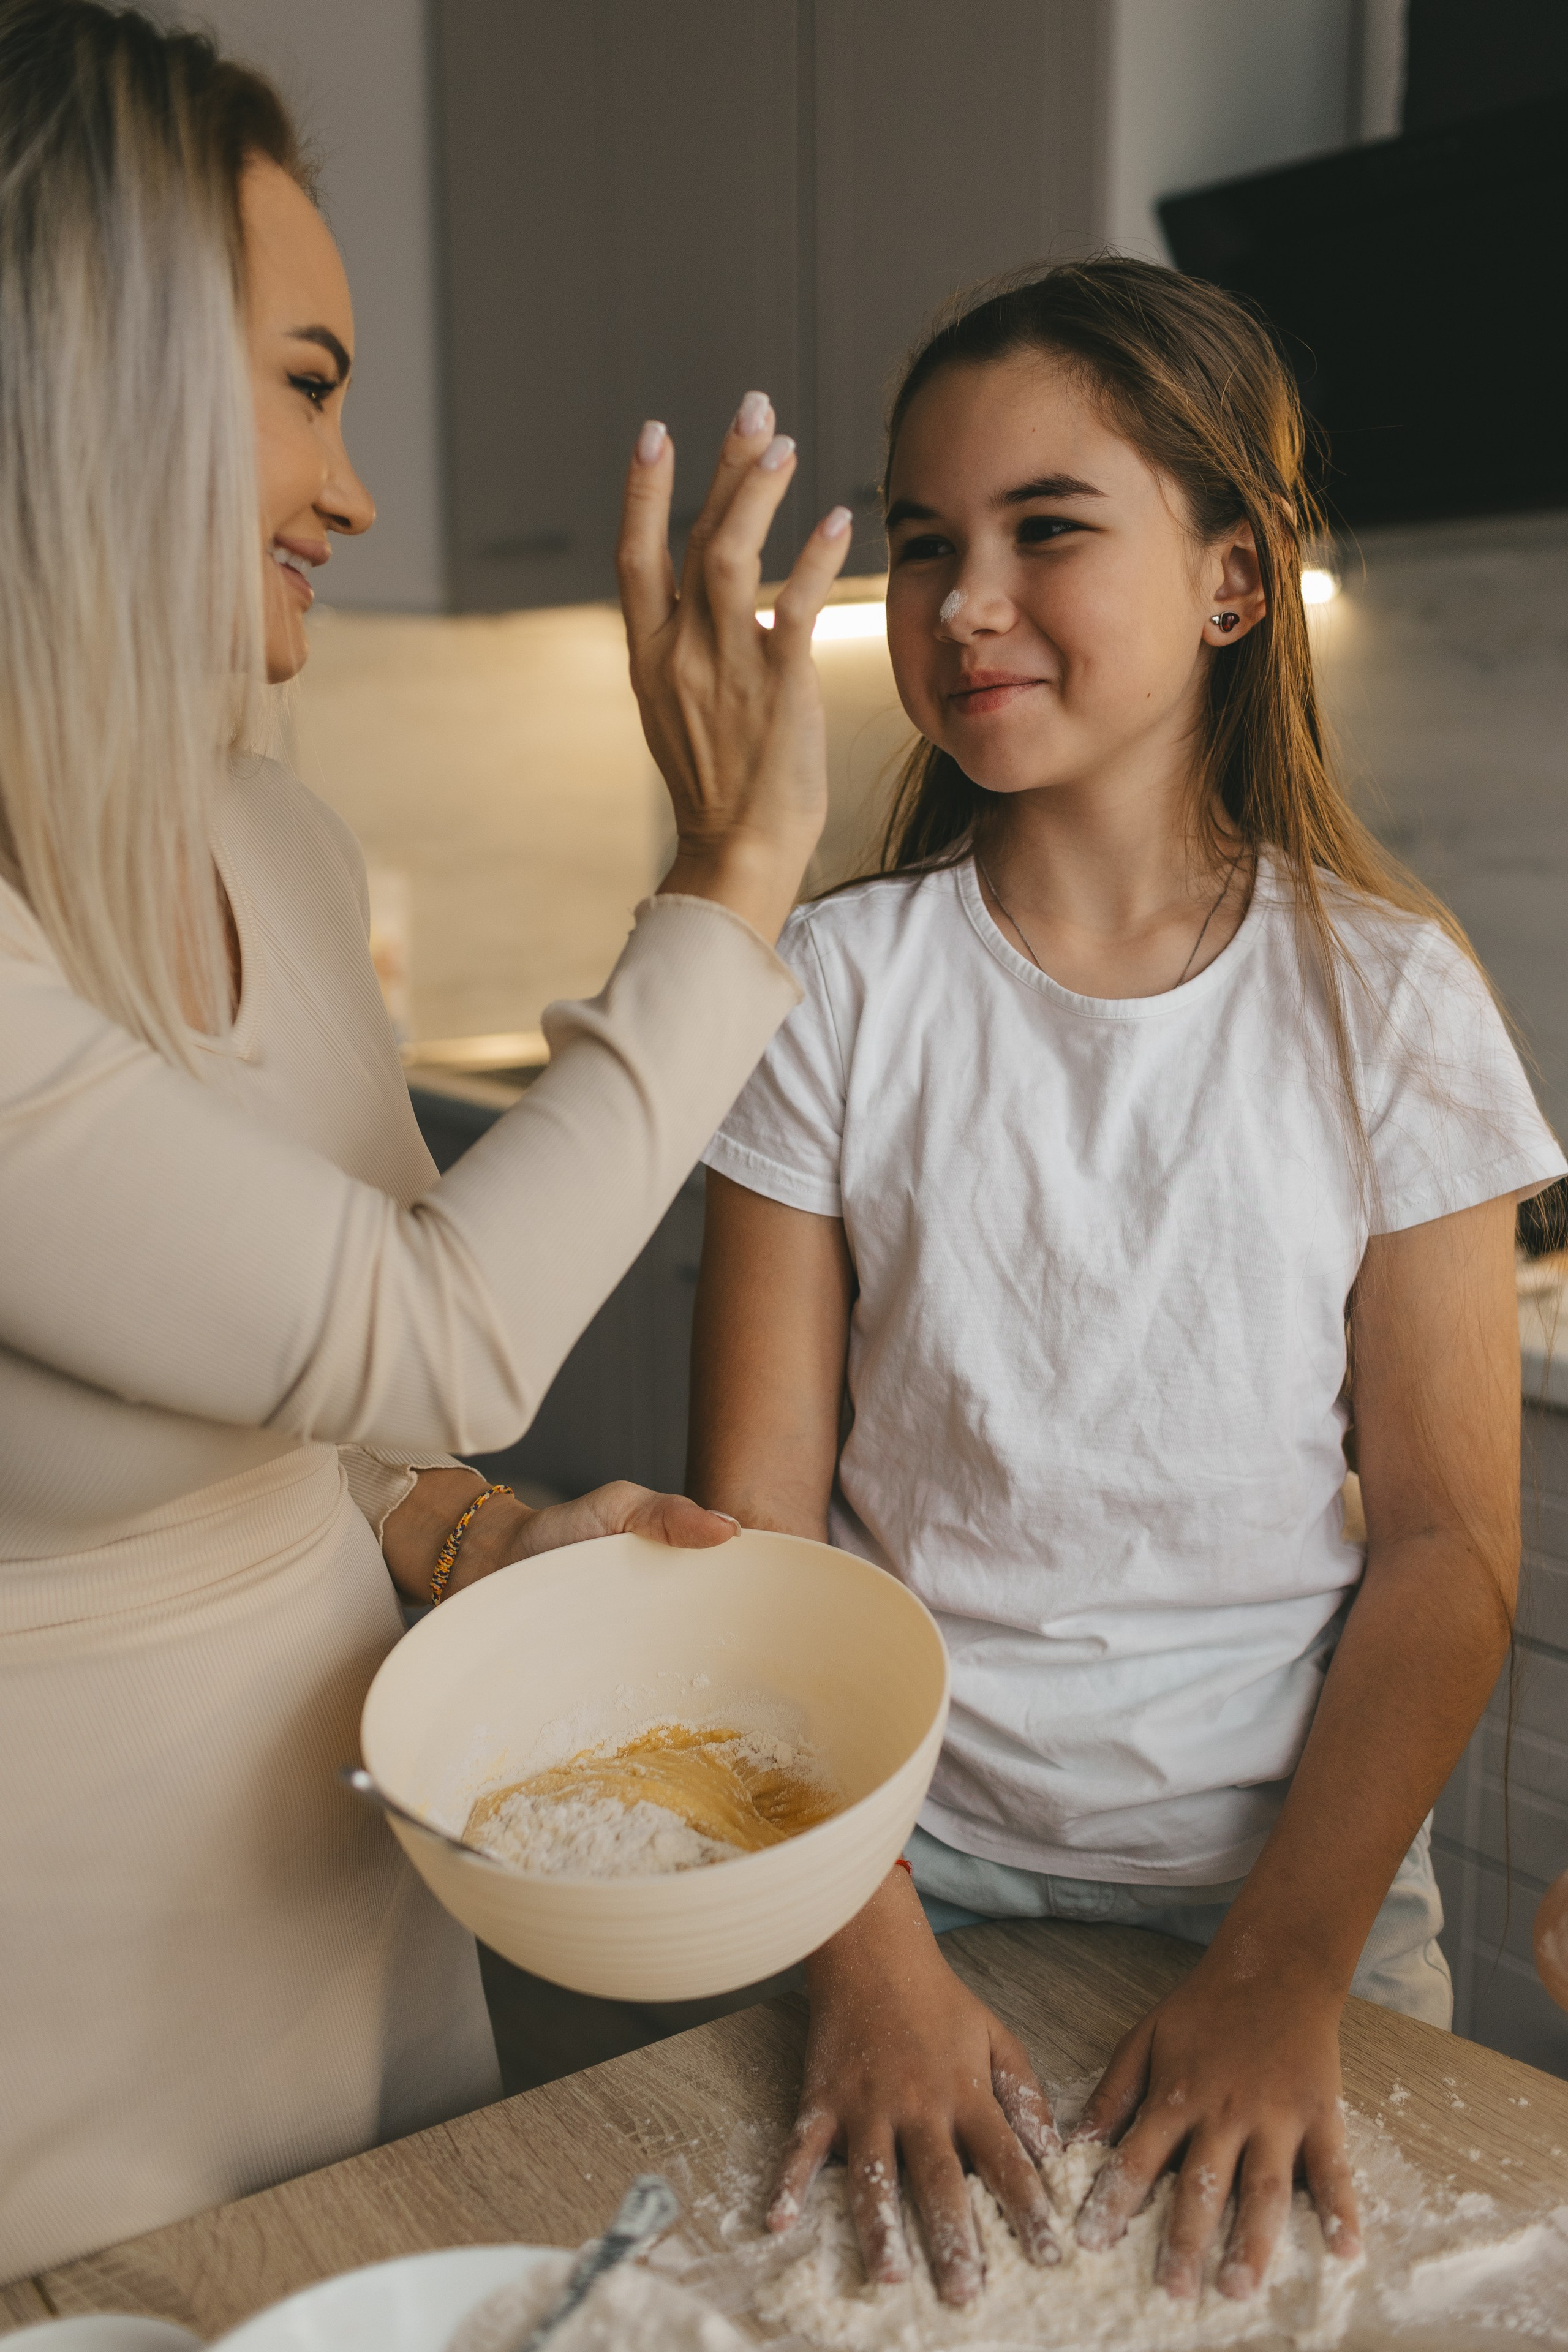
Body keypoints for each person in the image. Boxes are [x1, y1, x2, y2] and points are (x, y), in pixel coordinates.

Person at [0, 0, 852, 2281]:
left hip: (368, 1968)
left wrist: (491, 1543)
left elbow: (361, 1419)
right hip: (61, 2064)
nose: (353, 487)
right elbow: (441, 1323)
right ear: (90, 382)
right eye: (304, 382)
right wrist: (735, 869)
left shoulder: (270, 842)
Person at [689, 259, 1566, 2307]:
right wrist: (874, 1952)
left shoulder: (1391, 1003)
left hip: (1297, 1883)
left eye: (1045, 530)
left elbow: (1447, 1547)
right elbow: (754, 1536)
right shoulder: (826, 989)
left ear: (1234, 582)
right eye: (924, 547)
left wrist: (1283, 1968)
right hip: (898, 1865)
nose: (963, 599)